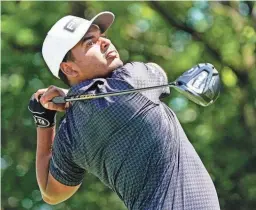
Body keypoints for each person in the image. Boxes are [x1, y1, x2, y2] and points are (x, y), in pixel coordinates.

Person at [28, 11, 220, 210]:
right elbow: (159, 73)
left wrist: (44, 120)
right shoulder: (130, 80)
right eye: (90, 42)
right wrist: (71, 96)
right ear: (69, 69)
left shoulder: (70, 134)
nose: (105, 42)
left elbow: (50, 193)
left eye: (102, 36)